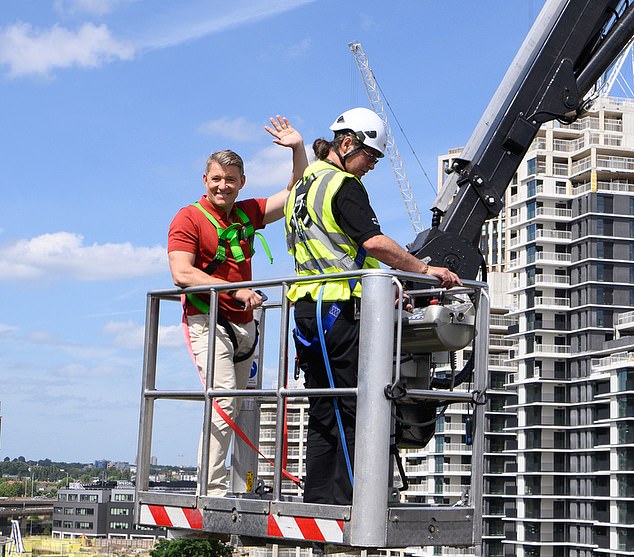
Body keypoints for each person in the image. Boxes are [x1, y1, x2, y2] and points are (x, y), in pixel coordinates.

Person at [284, 107, 461, 506]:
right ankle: (350, 501)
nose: (372, 166)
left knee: (323, 408)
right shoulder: (343, 185)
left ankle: (319, 498)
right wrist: (423, 269)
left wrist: (380, 282)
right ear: (347, 144)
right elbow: (373, 242)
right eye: (371, 156)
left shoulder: (303, 185)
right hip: (337, 311)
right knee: (353, 405)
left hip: (308, 312)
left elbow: (332, 248)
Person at [168, 116, 307, 496]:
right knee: (224, 396)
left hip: (245, 324)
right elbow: (182, 273)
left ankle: (239, 484)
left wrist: (297, 149)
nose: (223, 186)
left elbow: (296, 192)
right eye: (216, 179)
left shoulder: (246, 213)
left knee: (239, 404)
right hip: (206, 317)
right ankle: (211, 489)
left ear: (241, 183)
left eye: (230, 180)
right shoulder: (189, 218)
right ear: (205, 180)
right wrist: (236, 291)